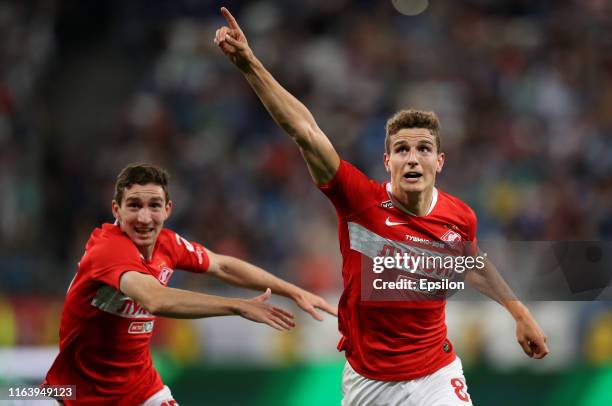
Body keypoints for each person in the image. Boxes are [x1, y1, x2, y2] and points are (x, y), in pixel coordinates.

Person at [214, 7, 549, 405]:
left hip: (436, 376)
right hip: (369, 384)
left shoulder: (460, 217)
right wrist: (250, 64)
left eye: (424, 149)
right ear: (386, 160)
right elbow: (304, 130)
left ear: (439, 161)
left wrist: (519, 312)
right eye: (401, 149)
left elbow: (472, 264)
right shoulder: (360, 201)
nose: (412, 158)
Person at [43, 163, 337, 405]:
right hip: (75, 395)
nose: (145, 217)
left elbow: (222, 265)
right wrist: (236, 306)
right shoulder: (108, 251)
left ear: (168, 209)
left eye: (154, 205)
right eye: (134, 206)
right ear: (116, 210)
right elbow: (155, 299)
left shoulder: (168, 244)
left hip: (141, 390)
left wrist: (293, 291)